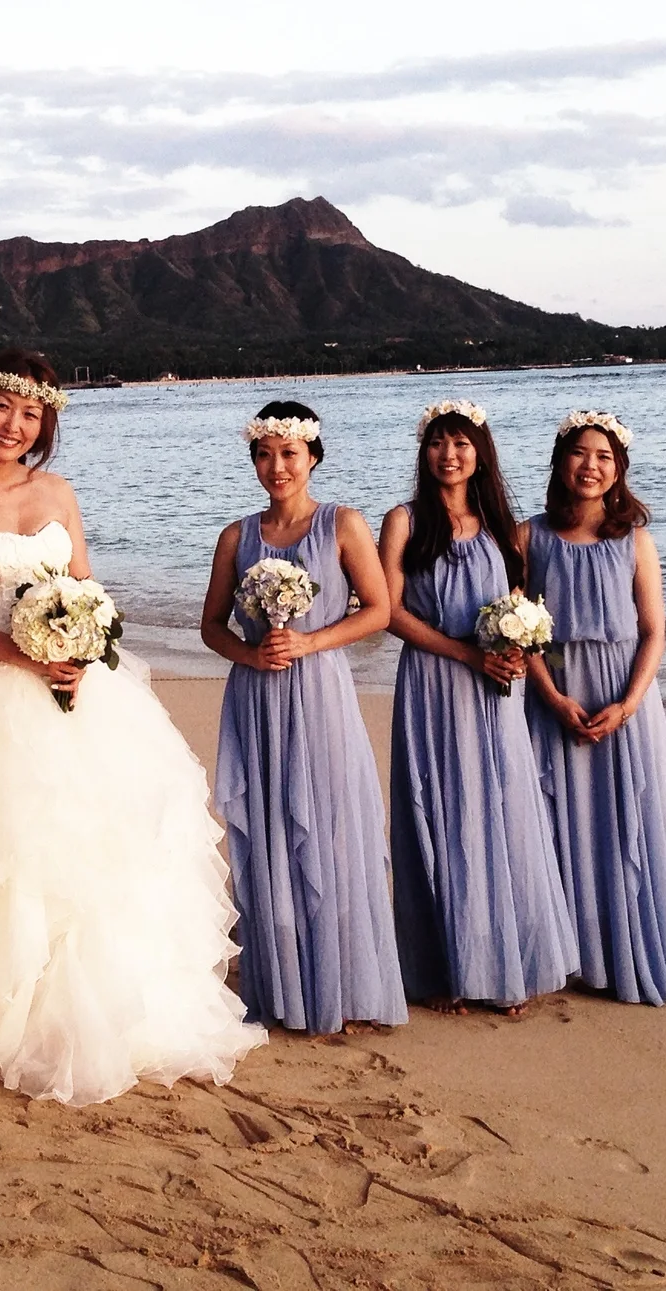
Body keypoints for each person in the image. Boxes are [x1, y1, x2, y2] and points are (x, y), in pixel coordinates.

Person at [0, 349, 266, 1103]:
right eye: (3, 408)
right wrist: (24, 653)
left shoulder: (56, 489)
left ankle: (114, 1006)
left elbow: (85, 584)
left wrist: (83, 642)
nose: (14, 426)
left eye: (32, 415)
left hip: (77, 689)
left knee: (99, 850)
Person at [199, 402, 406, 1034]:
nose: (276, 466)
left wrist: (310, 643)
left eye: (289, 453)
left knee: (328, 825)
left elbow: (379, 609)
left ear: (312, 456)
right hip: (258, 697)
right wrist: (252, 654)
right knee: (266, 830)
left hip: (319, 693)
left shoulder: (343, 524)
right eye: (264, 453)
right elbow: (211, 627)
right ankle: (280, 985)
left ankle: (339, 984)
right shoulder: (237, 537)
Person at [378, 402, 574, 1013]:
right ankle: (449, 969)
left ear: (479, 452)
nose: (449, 454)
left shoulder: (500, 525)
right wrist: (466, 655)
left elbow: (517, 603)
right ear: (425, 452)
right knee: (443, 811)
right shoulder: (403, 521)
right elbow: (390, 613)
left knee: (505, 810)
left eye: (461, 443)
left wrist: (516, 651)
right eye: (438, 443)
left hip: (497, 689)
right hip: (436, 682)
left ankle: (506, 962)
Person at [522, 410, 666, 1004]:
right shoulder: (530, 537)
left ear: (619, 469)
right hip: (556, 695)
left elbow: (653, 631)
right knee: (559, 820)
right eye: (580, 453)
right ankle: (567, 950)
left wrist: (628, 704)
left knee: (625, 819)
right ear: (560, 461)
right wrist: (550, 697)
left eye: (604, 457)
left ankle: (627, 946)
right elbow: (517, 631)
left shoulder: (635, 541)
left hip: (624, 700)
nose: (591, 466)